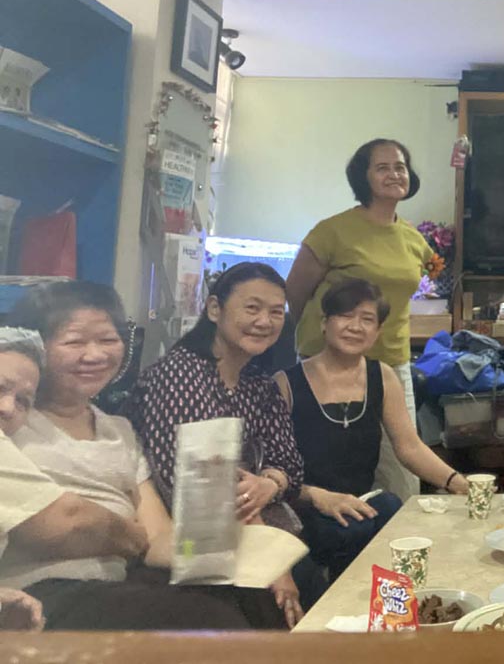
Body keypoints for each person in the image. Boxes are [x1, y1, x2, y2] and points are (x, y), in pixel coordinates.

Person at [2, 298, 283, 631]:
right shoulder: (12, 422)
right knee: (205, 620)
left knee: (250, 597)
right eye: (75, 342)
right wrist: (130, 535)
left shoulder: (120, 431)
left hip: (117, 583)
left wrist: (232, 550)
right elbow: (66, 523)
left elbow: (157, 537)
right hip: (38, 588)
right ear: (41, 348)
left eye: (108, 339)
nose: (95, 355)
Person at [125, 263, 314, 622]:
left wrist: (270, 482)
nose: (265, 321)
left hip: (244, 528)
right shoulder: (181, 374)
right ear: (214, 309)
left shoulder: (257, 383)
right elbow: (204, 485)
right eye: (252, 308)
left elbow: (291, 465)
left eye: (276, 312)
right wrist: (273, 563)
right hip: (183, 535)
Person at [274, 278, 468, 580]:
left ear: (377, 332)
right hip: (308, 505)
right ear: (324, 323)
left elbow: (409, 447)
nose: (355, 326)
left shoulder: (383, 376)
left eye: (367, 319)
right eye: (345, 316)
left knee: (393, 511)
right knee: (353, 530)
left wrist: (459, 483)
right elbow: (273, 468)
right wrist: (315, 496)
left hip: (362, 504)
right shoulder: (286, 383)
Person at [286, 138, 433, 501]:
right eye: (382, 167)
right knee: (333, 466)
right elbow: (295, 293)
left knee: (402, 471)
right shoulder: (332, 231)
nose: (394, 174)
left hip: (390, 362)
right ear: (362, 177)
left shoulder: (414, 239)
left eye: (400, 167)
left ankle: (399, 532)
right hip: (327, 362)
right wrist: (313, 339)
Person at [1, 326, 147, 633]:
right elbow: (68, 520)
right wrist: (136, 538)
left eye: (23, 400)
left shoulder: (120, 430)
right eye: (0, 388)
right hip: (60, 589)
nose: (7, 408)